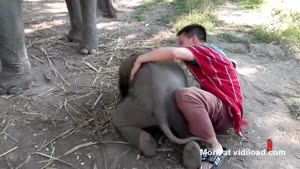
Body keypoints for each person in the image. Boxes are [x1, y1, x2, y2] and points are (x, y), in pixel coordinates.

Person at [129, 24, 246, 169]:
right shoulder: (214, 50)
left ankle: (216, 147)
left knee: (185, 95)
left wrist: (141, 58)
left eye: (182, 42)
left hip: (225, 111)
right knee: (179, 106)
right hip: (226, 110)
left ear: (194, 39)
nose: (180, 46)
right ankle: (192, 140)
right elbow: (233, 63)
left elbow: (173, 53)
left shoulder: (202, 50)